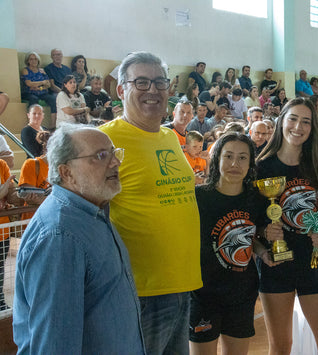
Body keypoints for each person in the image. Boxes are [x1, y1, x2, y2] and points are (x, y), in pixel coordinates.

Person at [99, 52, 201, 354]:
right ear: (121, 90)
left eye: (159, 82)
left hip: (183, 283)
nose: (152, 90)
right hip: (140, 292)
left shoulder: (170, 137)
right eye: (141, 82)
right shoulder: (105, 142)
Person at [12, 124, 144, 353]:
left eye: (114, 153)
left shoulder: (92, 212)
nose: (115, 162)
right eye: (101, 156)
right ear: (66, 173)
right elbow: (54, 346)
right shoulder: (60, 236)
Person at [256, 97, 318, 354]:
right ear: (282, 120)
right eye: (293, 118)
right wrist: (263, 234)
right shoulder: (262, 166)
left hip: (314, 261)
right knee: (281, 346)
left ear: (312, 128)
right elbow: (252, 219)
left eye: (306, 121)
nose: (298, 126)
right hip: (276, 263)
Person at [190, 133, 272, 355]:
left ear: (250, 163)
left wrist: (264, 252)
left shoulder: (256, 198)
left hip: (241, 293)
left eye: (243, 157)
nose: (235, 164)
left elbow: (250, 236)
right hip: (202, 294)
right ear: (217, 159)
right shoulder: (198, 197)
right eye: (228, 156)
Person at [0, 158, 21, 311]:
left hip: (2, 231)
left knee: (1, 269)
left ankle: (0, 302)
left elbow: (13, 194)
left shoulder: (2, 164)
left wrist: (16, 195)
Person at [20, 52, 57, 127]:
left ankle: (53, 124)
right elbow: (29, 84)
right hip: (29, 93)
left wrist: (39, 87)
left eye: (35, 59)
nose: (34, 61)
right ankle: (32, 124)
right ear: (28, 61)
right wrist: (42, 82)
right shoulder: (25, 70)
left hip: (42, 92)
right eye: (31, 59)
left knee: (53, 99)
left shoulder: (42, 71)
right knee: (34, 99)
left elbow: (48, 84)